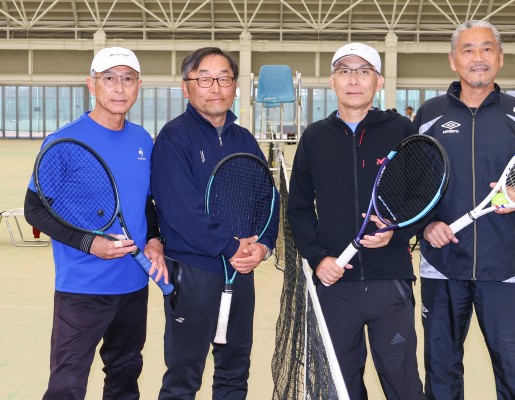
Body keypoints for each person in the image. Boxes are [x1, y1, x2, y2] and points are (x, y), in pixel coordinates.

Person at [24, 47, 168, 399]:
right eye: (109, 78)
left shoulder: (142, 140)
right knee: (67, 385)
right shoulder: (63, 141)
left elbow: (147, 202)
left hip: (134, 284)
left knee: (124, 377)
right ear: (92, 84)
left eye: (128, 79)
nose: (119, 87)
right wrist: (91, 244)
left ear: (138, 86)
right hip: (82, 287)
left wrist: (154, 240)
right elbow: (34, 210)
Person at [414, 20, 515, 399]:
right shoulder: (429, 115)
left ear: (500, 58)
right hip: (443, 264)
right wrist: (426, 225)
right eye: (468, 49)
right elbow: (409, 183)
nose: (478, 57)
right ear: (453, 60)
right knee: (441, 373)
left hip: (506, 266)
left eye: (487, 49)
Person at [287, 42, 425, 400]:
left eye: (364, 72)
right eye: (345, 71)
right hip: (335, 283)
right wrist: (319, 259)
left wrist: (396, 232)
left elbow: (424, 196)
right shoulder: (314, 137)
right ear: (332, 81)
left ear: (378, 82)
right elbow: (298, 207)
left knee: (403, 383)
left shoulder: (401, 129)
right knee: (339, 387)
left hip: (389, 281)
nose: (353, 80)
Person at [151, 47, 279, 399]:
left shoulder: (245, 139)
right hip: (194, 274)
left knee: (234, 374)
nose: (216, 87)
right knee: (183, 378)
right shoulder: (174, 138)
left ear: (235, 86)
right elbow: (180, 209)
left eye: (224, 78)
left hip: (240, 272)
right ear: (186, 87)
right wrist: (230, 246)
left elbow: (268, 198)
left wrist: (263, 246)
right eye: (204, 79)